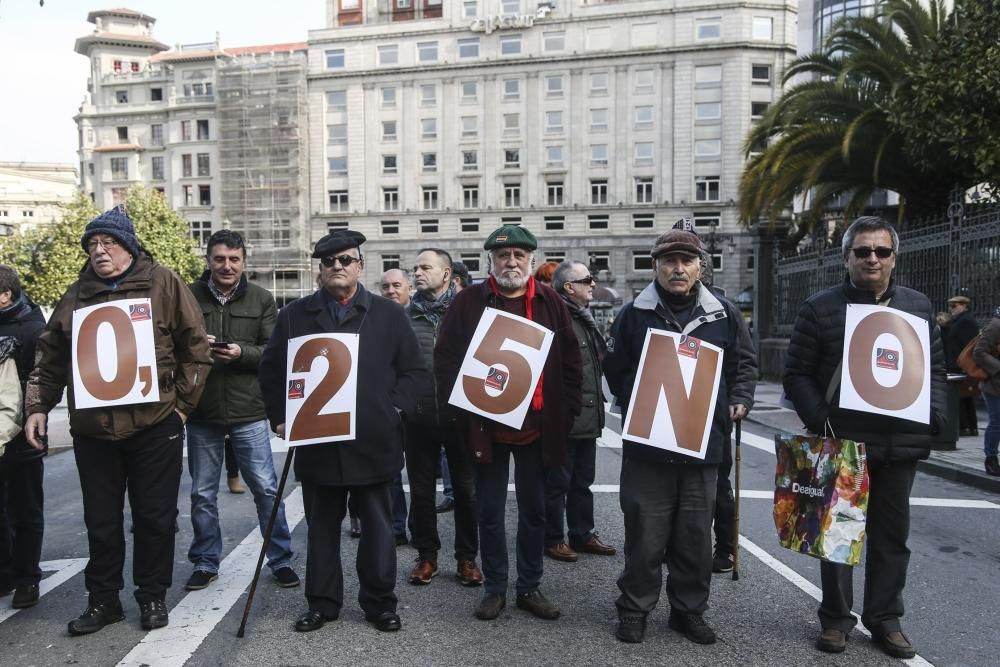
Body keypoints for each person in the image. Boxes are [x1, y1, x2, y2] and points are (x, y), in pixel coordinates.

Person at [24, 206, 212, 635]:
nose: (99, 250)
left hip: (155, 424)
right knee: (102, 521)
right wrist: (37, 407)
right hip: (94, 432)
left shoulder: (163, 282)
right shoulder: (76, 294)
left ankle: (151, 596)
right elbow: (50, 359)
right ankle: (103, 601)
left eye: (108, 242)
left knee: (154, 518)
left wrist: (183, 406)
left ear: (128, 246)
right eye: (92, 244)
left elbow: (195, 346)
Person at [783, 216, 946, 659]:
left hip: (899, 445)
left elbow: (934, 371)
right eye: (862, 251)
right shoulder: (820, 306)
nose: (872, 258)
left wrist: (933, 418)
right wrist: (823, 422)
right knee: (837, 536)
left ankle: (885, 620)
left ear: (894, 258)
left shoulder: (917, 305)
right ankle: (835, 619)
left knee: (892, 539)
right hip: (845, 445)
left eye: (881, 251)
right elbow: (796, 373)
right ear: (846, 258)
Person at [259, 230, 426, 634]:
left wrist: (392, 410)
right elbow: (271, 369)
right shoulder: (294, 315)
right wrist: (281, 416)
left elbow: (415, 373)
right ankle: (322, 602)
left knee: (378, 532)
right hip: (318, 444)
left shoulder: (388, 314)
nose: (338, 267)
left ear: (359, 266)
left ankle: (380, 602)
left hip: (373, 443)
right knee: (320, 530)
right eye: (330, 261)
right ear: (320, 269)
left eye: (346, 260)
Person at [604, 227, 754, 645]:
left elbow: (744, 364)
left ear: (699, 266)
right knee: (645, 535)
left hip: (703, 447)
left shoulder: (724, 313)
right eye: (669, 260)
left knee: (693, 538)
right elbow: (614, 368)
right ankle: (634, 608)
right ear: (657, 265)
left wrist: (740, 398)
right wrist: (642, 399)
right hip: (648, 447)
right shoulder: (634, 313)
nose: (678, 268)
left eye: (686, 261)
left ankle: (689, 611)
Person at [435, 224, 582, 622]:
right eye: (503, 256)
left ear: (532, 261)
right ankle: (495, 588)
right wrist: (462, 412)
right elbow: (446, 359)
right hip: (487, 428)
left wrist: (564, 415)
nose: (511, 262)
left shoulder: (551, 302)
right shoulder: (468, 302)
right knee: (490, 511)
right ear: (491, 262)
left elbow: (571, 363)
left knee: (535, 511)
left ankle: (529, 587)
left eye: (519, 255)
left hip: (538, 427)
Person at [184, 230, 299, 592]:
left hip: (249, 409)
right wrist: (200, 348)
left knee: (265, 488)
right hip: (202, 411)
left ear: (244, 262)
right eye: (219, 259)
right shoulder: (188, 295)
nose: (227, 266)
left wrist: (240, 353)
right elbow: (171, 346)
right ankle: (205, 560)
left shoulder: (263, 299)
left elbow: (274, 352)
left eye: (234, 259)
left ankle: (280, 559)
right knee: (202, 493)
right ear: (208, 261)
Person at [404, 248, 483, 587]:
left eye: (426, 267)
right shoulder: (406, 317)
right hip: (418, 418)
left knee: (467, 492)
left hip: (461, 419)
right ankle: (427, 557)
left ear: (447, 273)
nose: (418, 273)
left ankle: (467, 559)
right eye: (415, 268)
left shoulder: (469, 314)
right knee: (421, 493)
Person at [543, 261, 616, 564]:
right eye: (587, 280)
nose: (592, 284)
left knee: (582, 481)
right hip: (565, 415)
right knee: (557, 482)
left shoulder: (583, 318)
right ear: (569, 287)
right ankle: (553, 538)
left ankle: (582, 532)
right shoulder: (556, 317)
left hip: (587, 413)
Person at [0, 266, 46, 609]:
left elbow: (41, 377)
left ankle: (27, 577)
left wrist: (36, 414)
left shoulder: (33, 327)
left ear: (6, 295)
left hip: (24, 433)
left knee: (25, 508)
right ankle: (5, 573)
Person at [379, 267, 412, 545]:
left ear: (409, 287)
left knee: (422, 478)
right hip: (387, 409)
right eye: (385, 287)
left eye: (397, 285)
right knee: (390, 472)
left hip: (417, 407)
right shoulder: (374, 318)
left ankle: (425, 540)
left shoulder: (419, 317)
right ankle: (396, 529)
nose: (391, 291)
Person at [943, 295, 980, 435]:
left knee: (962, 397)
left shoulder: (966, 322)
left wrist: (966, 365)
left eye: (955, 306)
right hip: (957, 364)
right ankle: (970, 427)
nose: (951, 309)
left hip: (961, 365)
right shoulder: (959, 321)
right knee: (964, 397)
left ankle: (966, 427)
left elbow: (968, 346)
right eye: (951, 306)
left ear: (965, 306)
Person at [973, 306, 1000, 476]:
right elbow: (979, 352)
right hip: (994, 385)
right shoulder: (996, 325)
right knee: (997, 423)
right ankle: (991, 458)